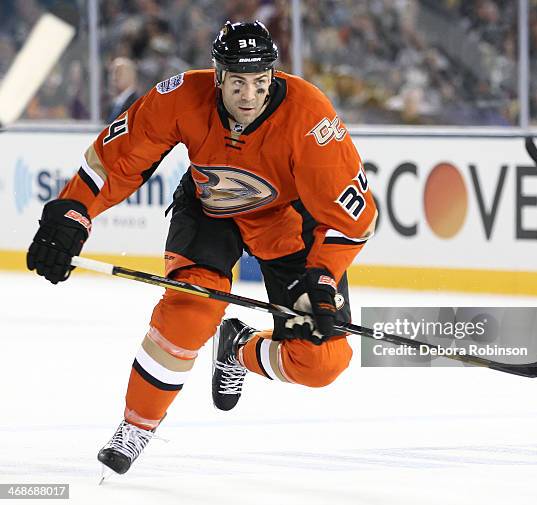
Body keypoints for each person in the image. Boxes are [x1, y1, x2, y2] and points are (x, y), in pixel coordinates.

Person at [25, 21, 377, 476]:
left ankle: (238, 347)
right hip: (209, 211)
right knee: (189, 312)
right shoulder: (179, 96)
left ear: (273, 76)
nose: (249, 95)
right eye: (237, 82)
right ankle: (137, 426)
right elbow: (118, 159)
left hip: (289, 227)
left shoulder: (311, 116)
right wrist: (74, 210)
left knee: (321, 361)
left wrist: (323, 281)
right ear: (217, 75)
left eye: (259, 82)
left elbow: (352, 218)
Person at [106, 57, 139, 123]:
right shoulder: (113, 104)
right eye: (112, 73)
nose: (114, 77)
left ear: (131, 75)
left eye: (118, 72)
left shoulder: (137, 104)